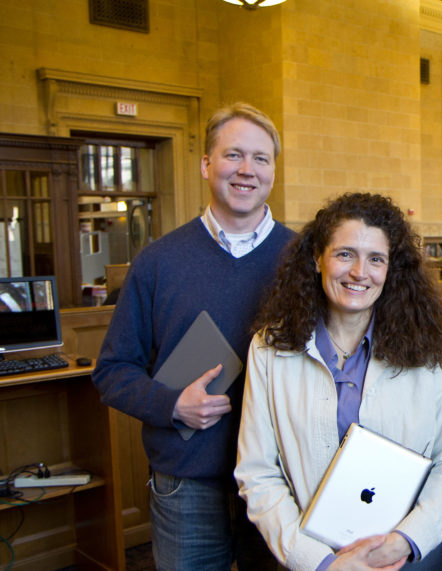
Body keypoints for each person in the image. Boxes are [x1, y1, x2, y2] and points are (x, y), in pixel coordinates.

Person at [92, 102, 296, 570]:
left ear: (273, 172)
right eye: (233, 155)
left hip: (281, 477)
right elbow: (112, 370)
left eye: (261, 159)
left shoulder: (303, 259)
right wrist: (171, 405)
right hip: (187, 481)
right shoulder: (158, 261)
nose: (247, 170)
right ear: (206, 164)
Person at [235, 193, 442, 571]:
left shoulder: (425, 349)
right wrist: (319, 562)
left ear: (390, 269)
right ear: (317, 257)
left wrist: (406, 540)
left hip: (407, 555)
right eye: (345, 254)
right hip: (313, 557)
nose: (360, 272)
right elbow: (257, 473)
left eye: (375, 258)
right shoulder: (269, 348)